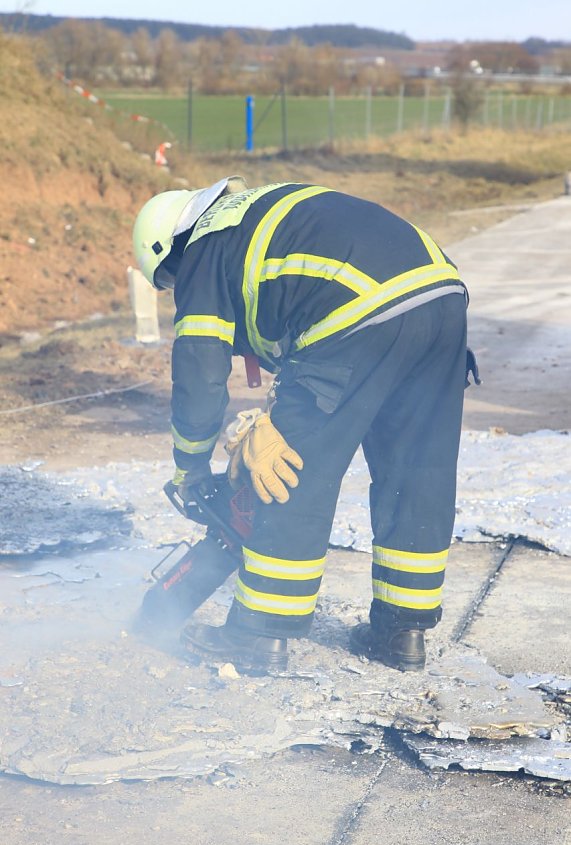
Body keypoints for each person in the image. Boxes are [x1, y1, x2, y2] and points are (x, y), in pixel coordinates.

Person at [132, 176, 474, 675]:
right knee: (417, 470)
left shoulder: (204, 250)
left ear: (172, 252)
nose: (176, 292)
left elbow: (199, 375)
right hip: (441, 296)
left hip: (358, 312)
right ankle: (401, 632)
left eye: (169, 283)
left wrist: (189, 468)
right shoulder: (257, 213)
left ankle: (258, 633)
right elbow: (307, 294)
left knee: (286, 470)